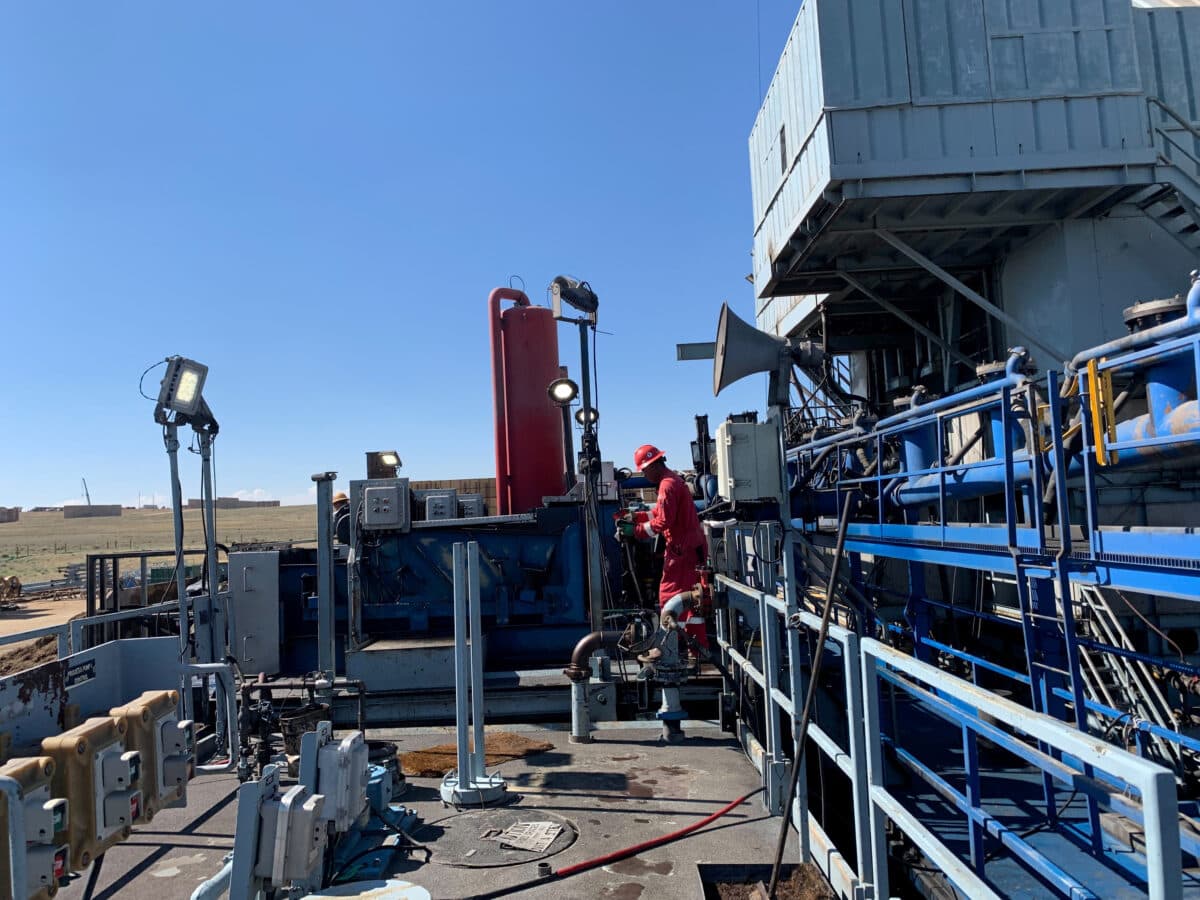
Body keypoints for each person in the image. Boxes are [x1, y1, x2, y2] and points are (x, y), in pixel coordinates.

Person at [618, 444, 706, 614]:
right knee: (688, 599)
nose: (644, 474)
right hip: (687, 548)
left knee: (672, 597)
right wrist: (637, 516)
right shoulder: (670, 480)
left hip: (683, 551)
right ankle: (687, 635)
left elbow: (663, 522)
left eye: (644, 470)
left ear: (653, 465)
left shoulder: (667, 485)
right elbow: (659, 513)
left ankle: (677, 636)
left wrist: (635, 530)